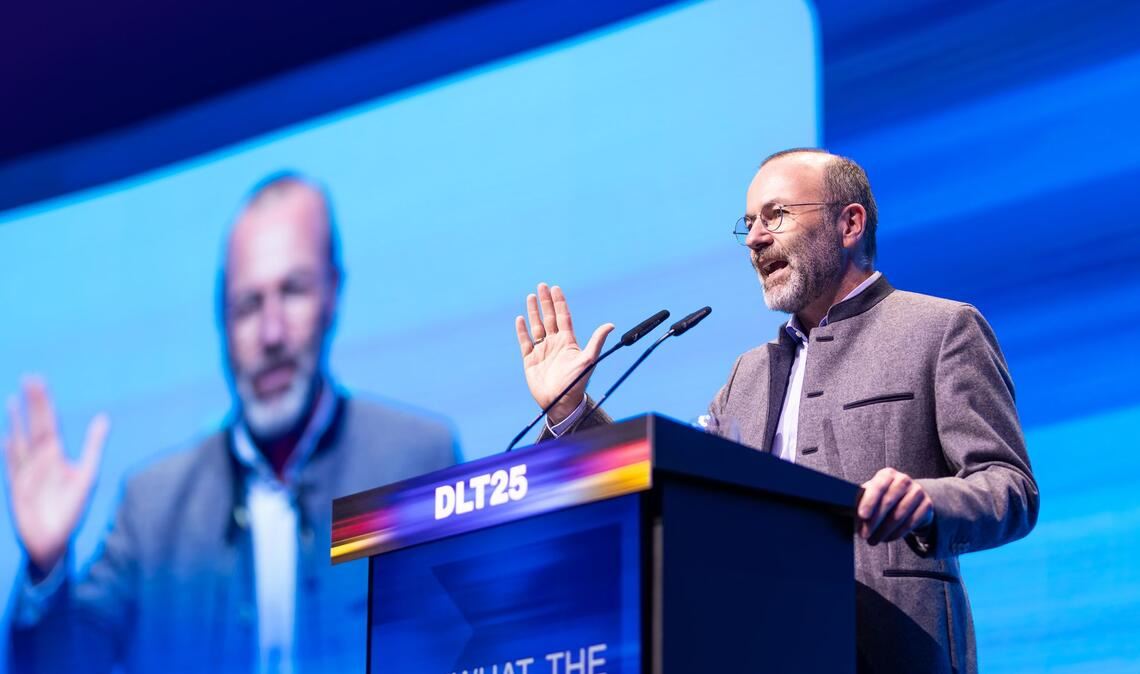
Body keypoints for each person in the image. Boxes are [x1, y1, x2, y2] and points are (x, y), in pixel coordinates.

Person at [513, 149, 1039, 674]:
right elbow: (675, 494)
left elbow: (1010, 487)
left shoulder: (939, 328)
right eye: (749, 224)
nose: (756, 239)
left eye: (776, 216)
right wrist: (572, 410)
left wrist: (927, 500)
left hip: (890, 653)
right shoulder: (749, 372)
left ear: (849, 223)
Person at [4, 173, 459, 673]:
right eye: (247, 306)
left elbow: (471, 645)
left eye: (293, 291)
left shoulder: (417, 461)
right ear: (221, 321)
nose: (271, 333)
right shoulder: (151, 509)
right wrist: (45, 570)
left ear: (333, 295)